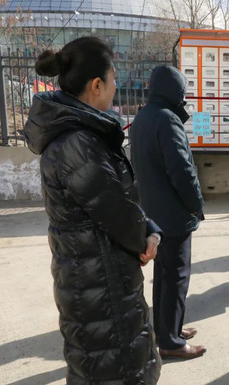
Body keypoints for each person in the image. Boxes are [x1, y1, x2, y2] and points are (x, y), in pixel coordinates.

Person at [23, 37, 161, 383]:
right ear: (97, 85)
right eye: (113, 80)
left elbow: (115, 201)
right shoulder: (77, 142)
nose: (115, 88)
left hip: (96, 276)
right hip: (100, 282)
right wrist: (147, 236)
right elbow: (117, 211)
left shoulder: (79, 133)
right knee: (115, 368)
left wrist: (146, 226)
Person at [130, 66, 206, 359]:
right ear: (175, 91)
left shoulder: (143, 118)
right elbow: (182, 170)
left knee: (164, 276)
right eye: (183, 91)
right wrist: (196, 205)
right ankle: (171, 342)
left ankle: (167, 329)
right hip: (174, 215)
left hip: (154, 212)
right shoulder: (167, 119)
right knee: (176, 277)